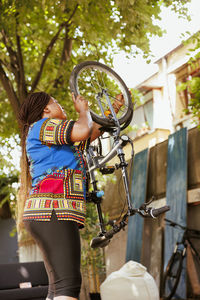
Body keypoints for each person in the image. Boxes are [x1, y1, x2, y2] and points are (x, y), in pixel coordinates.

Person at [18, 91, 124, 300]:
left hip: (46, 214)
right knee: (68, 285)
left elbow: (91, 131)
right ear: (46, 110)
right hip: (52, 212)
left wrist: (115, 107)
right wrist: (83, 111)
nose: (62, 105)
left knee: (57, 287)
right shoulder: (44, 126)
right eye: (56, 101)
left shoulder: (60, 139)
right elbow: (84, 129)